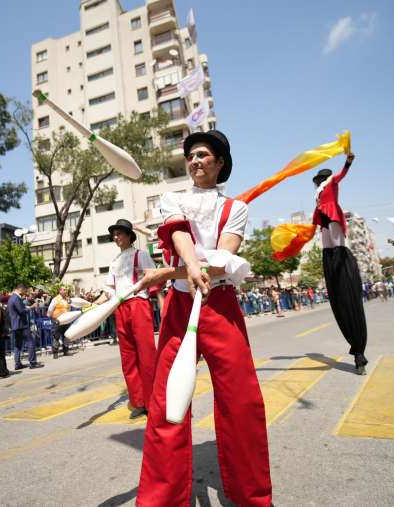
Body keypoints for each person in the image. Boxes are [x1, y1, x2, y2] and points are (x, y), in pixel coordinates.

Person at [134, 130, 271, 506]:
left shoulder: (236, 208)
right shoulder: (171, 199)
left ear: (220, 163)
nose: (195, 161)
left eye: (203, 155)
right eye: (191, 155)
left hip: (220, 307)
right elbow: (178, 234)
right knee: (165, 407)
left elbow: (222, 262)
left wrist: (169, 273)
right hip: (180, 309)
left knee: (242, 405)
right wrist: (189, 267)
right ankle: (161, 500)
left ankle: (252, 498)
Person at [93, 219, 157, 419]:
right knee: (128, 357)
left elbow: (153, 277)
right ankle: (138, 401)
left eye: (120, 233)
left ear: (130, 235)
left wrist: (139, 287)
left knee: (146, 355)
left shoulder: (142, 254)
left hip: (138, 304)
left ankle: (154, 401)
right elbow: (108, 291)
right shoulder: (114, 262)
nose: (116, 237)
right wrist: (93, 305)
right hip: (120, 307)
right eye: (114, 234)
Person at [311, 153, 369, 375]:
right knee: (327, 246)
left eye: (319, 179)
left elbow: (342, 175)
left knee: (336, 245)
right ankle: (333, 258)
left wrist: (348, 162)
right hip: (323, 219)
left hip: (332, 216)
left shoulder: (331, 183)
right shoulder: (318, 193)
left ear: (323, 179)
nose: (317, 182)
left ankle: (340, 259)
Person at [8, 284, 43, 370]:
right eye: (24, 290)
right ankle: (33, 363)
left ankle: (17, 364)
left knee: (17, 345)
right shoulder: (16, 298)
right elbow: (22, 311)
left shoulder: (11, 298)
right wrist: (32, 307)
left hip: (15, 325)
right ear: (21, 289)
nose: (25, 292)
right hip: (21, 325)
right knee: (30, 342)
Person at [47, 287, 72, 358]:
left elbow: (68, 309)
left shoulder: (67, 300)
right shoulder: (55, 299)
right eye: (64, 290)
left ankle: (66, 351)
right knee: (56, 336)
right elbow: (50, 310)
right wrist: (52, 318)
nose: (65, 291)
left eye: (65, 290)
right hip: (57, 320)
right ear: (60, 291)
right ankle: (55, 353)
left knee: (66, 336)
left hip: (66, 320)